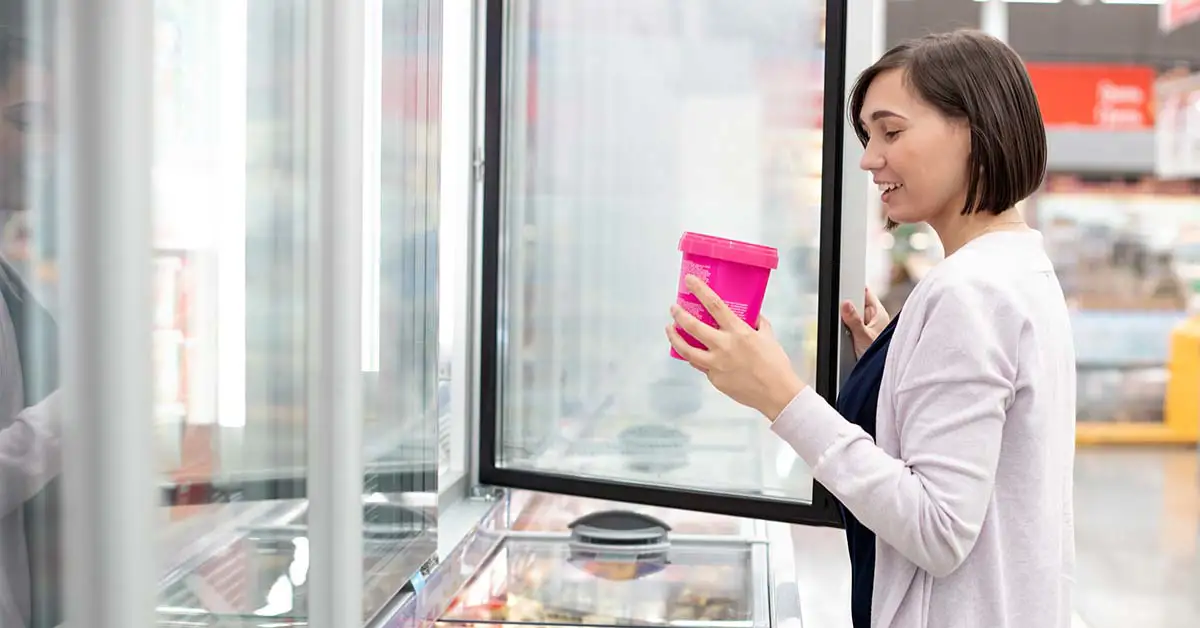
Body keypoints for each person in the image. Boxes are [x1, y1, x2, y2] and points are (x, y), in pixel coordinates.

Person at [667, 30, 1076, 628]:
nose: (868, 158)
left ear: (971, 127)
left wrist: (780, 397)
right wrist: (896, 360)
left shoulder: (968, 291)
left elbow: (939, 530)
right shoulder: (1019, 266)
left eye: (892, 131)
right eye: (868, 136)